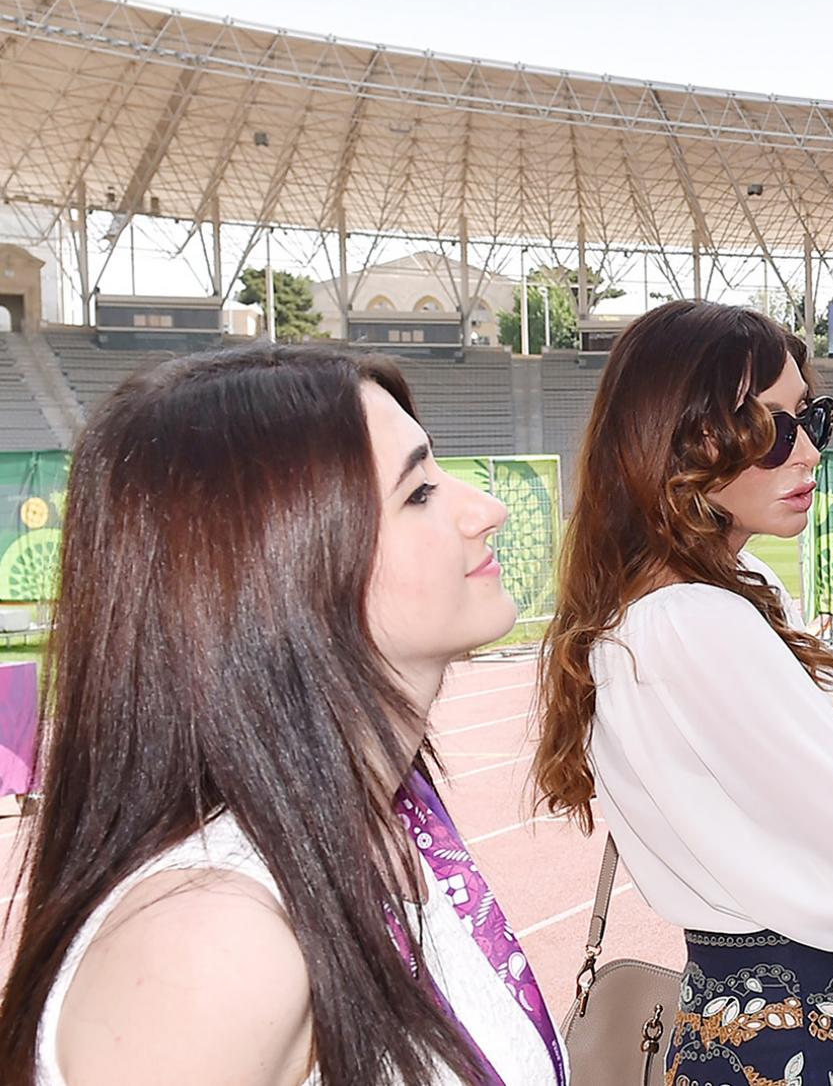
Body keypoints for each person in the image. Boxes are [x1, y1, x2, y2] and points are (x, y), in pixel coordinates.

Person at [0, 344, 563, 1086]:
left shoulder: (375, 824)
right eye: (418, 491)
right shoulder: (209, 943)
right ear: (279, 571)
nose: (486, 509)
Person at [532, 301, 833, 1086]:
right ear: (683, 436)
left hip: (782, 1026)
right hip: (799, 1036)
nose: (807, 455)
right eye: (769, 428)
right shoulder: (693, 622)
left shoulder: (717, 594)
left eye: (809, 419)